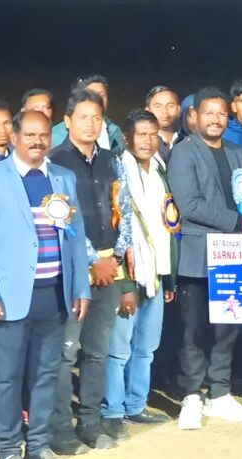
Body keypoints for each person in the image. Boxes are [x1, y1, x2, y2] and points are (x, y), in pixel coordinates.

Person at [0, 110, 91, 459]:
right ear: (15, 138)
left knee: (46, 375)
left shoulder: (63, 178)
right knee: (7, 377)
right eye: (30, 135)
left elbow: (75, 236)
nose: (38, 141)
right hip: (10, 298)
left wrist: (80, 287)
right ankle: (8, 446)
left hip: (55, 294)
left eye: (43, 135)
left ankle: (38, 444)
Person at [167, 86, 242, 430]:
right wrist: (239, 221)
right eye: (209, 112)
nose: (216, 119)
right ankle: (192, 396)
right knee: (193, 331)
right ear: (194, 116)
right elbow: (189, 205)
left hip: (232, 255)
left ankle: (219, 393)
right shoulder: (183, 152)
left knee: (227, 328)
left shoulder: (239, 153)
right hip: (196, 256)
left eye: (222, 113)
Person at [48, 88, 134, 453]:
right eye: (83, 117)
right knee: (65, 354)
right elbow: (60, 217)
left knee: (98, 351)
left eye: (97, 118)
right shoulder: (54, 161)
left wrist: (115, 257)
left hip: (109, 269)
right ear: (67, 121)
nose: (90, 124)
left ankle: (90, 422)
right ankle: (59, 430)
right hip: (72, 271)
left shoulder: (112, 160)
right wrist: (91, 259)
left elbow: (125, 210)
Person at [100, 109, 178, 439]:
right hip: (129, 272)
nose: (148, 141)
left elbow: (167, 225)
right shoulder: (118, 171)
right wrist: (124, 283)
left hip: (156, 272)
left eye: (153, 134)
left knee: (146, 346)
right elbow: (116, 229)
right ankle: (112, 410)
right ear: (127, 137)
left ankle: (136, 403)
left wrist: (169, 276)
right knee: (119, 348)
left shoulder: (159, 171)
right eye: (141, 134)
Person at [52, 75, 125, 152]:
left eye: (101, 95)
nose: (97, 100)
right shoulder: (55, 136)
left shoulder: (115, 131)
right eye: (91, 95)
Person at [144, 85, 182, 161]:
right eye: (158, 106)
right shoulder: (142, 144)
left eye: (170, 106)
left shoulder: (189, 142)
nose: (164, 111)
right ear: (147, 111)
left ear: (179, 110)